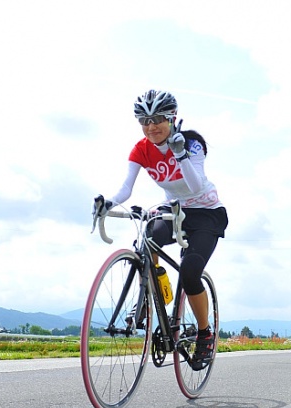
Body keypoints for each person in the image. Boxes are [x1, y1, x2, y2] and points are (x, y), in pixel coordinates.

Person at [94, 89, 228, 367]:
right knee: (149, 238)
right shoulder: (141, 149)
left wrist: (180, 156)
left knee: (191, 272)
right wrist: (110, 202)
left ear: (172, 118)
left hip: (205, 214)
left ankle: (205, 334)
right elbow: (126, 188)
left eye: (157, 119)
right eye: (144, 121)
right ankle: (155, 293)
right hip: (175, 209)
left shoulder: (191, 144)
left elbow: (196, 186)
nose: (151, 127)